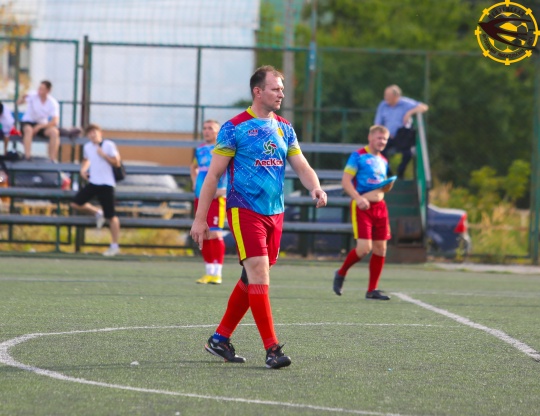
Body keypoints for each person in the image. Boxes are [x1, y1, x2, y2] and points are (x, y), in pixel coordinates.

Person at [190, 65, 327, 369]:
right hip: (244, 210)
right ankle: (272, 349)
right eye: (275, 89)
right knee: (259, 274)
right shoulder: (234, 127)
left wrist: (315, 187)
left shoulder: (285, 128)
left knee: (251, 277)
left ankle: (219, 339)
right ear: (258, 91)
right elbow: (212, 176)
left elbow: (301, 165)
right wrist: (201, 219)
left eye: (282, 89)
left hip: (275, 213)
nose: (281, 94)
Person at [333, 125, 394, 301]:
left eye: (385, 139)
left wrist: (387, 186)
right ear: (370, 137)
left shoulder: (383, 160)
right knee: (364, 248)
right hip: (362, 207)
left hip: (380, 207)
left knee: (381, 248)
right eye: (379, 138)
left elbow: (380, 185)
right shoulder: (358, 156)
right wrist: (358, 198)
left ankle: (372, 290)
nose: (382, 142)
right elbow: (346, 181)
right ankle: (341, 272)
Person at [70, 124, 121, 257]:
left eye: (94, 132)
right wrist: (83, 170)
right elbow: (87, 160)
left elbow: (117, 162)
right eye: (90, 133)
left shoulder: (108, 145)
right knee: (75, 203)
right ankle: (98, 213)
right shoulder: (87, 147)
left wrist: (103, 155)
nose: (92, 135)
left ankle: (114, 245)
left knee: (111, 216)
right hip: (93, 182)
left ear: (100, 133)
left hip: (107, 183)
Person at [190, 119, 227, 284]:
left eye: (210, 128)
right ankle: (209, 272)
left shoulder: (224, 149)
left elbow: (230, 170)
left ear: (218, 132)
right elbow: (193, 167)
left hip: (216, 197)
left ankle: (217, 272)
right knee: (202, 232)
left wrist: (223, 189)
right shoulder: (200, 149)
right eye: (204, 128)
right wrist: (194, 182)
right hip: (200, 196)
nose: (206, 131)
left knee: (215, 233)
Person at [374, 85, 428, 178]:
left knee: (408, 153)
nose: (385, 98)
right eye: (385, 95)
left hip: (402, 136)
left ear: (396, 96)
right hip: (387, 136)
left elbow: (424, 107)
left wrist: (409, 113)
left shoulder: (405, 103)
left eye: (388, 95)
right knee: (378, 149)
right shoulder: (383, 105)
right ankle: (388, 172)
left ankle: (400, 171)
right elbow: (377, 123)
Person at [17, 80, 60, 161]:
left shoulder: (52, 103)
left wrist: (39, 126)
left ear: (48, 91)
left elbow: (55, 121)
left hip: (42, 124)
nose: (39, 91)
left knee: (54, 132)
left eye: (42, 89)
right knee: (28, 130)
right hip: (28, 122)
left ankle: (52, 159)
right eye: (39, 88)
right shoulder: (33, 95)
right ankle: (28, 156)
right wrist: (22, 97)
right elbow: (19, 103)